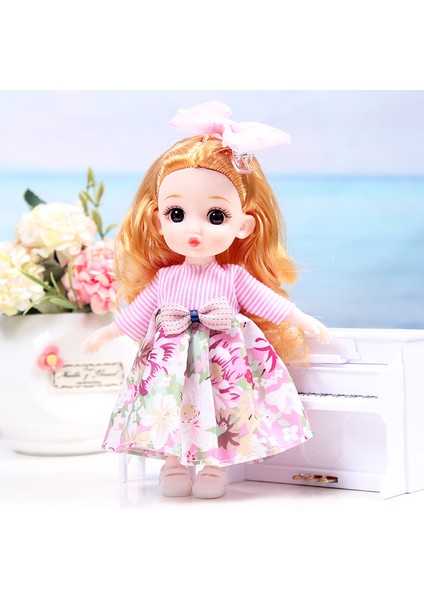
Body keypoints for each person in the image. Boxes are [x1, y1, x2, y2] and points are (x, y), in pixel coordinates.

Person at [82, 101, 330, 499]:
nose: (193, 229)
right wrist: (107, 333)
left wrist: (301, 319)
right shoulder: (165, 279)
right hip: (169, 359)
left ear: (243, 225)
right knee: (167, 405)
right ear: (158, 220)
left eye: (216, 216)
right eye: (176, 213)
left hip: (222, 359)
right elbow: (138, 314)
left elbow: (268, 303)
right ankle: (173, 463)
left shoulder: (232, 276)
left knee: (222, 406)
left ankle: (214, 467)